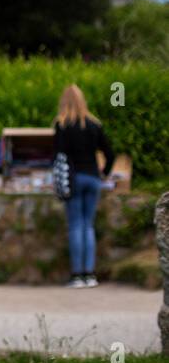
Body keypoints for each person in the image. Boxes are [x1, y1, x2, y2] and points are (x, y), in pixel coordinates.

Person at [52, 84, 117, 288]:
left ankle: (77, 275)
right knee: (88, 226)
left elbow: (58, 155)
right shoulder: (94, 125)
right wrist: (104, 174)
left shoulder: (62, 125)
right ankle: (90, 274)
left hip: (74, 179)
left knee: (75, 226)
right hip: (93, 179)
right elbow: (110, 154)